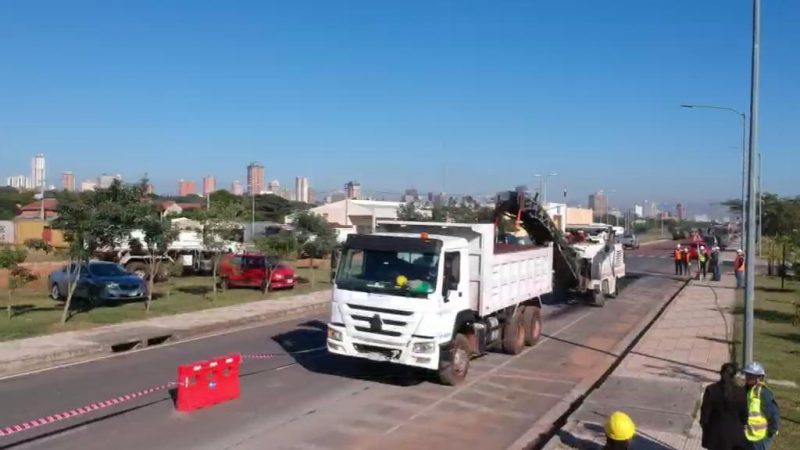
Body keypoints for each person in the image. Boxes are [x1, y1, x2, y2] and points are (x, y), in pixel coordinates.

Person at [700, 362, 748, 450]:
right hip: (735, 436)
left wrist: (705, 428)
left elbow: (705, 415)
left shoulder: (711, 390)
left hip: (715, 435)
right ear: (734, 376)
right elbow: (744, 416)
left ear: (720, 374)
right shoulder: (741, 392)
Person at [743, 362, 780, 450]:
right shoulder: (745, 391)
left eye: (751, 375)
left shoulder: (764, 394)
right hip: (747, 436)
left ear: (759, 378)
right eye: (747, 374)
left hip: (760, 439)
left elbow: (774, 416)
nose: (747, 377)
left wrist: (769, 434)